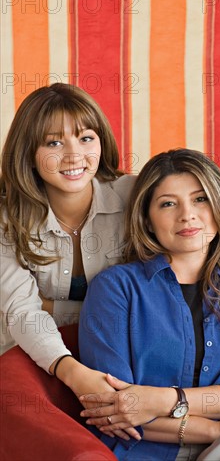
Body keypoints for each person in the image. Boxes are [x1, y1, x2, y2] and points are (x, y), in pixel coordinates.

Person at [78, 148, 220, 460]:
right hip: (142, 451)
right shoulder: (115, 288)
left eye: (200, 199)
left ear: (219, 206)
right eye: (168, 204)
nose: (187, 214)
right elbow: (115, 409)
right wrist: (216, 427)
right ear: (147, 220)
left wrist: (164, 400)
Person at [0, 83, 137, 406]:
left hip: (117, 348)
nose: (74, 155)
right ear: (29, 154)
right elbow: (23, 313)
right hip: (26, 352)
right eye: (54, 142)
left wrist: (53, 307)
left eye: (86, 138)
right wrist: (72, 372)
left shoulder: (135, 197)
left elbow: (151, 301)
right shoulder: (6, 219)